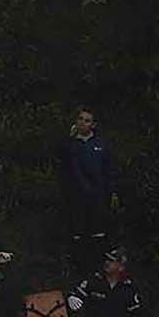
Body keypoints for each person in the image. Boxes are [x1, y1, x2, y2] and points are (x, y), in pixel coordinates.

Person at [59, 106, 119, 267]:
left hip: (97, 195)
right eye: (80, 119)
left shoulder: (101, 144)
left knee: (97, 231)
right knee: (77, 231)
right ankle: (77, 266)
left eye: (87, 120)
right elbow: (65, 167)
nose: (83, 123)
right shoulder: (70, 144)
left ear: (93, 124)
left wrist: (112, 191)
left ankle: (98, 265)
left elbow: (109, 169)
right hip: (76, 195)